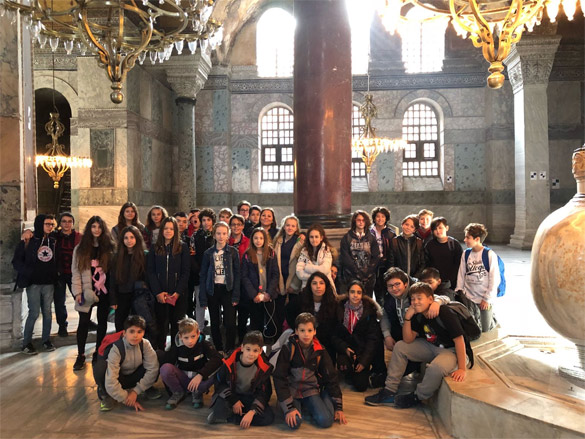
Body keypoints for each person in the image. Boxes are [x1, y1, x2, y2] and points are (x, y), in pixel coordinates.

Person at [365, 282, 468, 408]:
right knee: (400, 346)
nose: (415, 302)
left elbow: (459, 340)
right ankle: (389, 390)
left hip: (450, 350)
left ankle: (417, 396)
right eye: (413, 299)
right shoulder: (418, 315)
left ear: (430, 299)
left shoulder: (444, 312)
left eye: (419, 298)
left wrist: (462, 368)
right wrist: (407, 318)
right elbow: (408, 340)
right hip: (431, 345)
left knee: (436, 368)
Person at [273, 313, 347, 429]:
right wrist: (289, 408)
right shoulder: (288, 348)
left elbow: (331, 376)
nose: (306, 334)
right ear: (296, 331)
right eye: (302, 330)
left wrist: (338, 407)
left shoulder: (320, 350)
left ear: (314, 332)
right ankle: (298, 406)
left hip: (310, 390)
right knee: (294, 423)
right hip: (291, 390)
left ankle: (325, 395)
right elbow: (279, 377)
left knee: (326, 421)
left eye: (309, 330)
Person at [71, 216, 116, 370]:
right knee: (83, 322)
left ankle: (99, 352)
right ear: (89, 228)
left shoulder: (109, 247)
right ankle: (81, 354)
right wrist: (77, 292)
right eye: (93, 227)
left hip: (104, 291)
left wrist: (113, 297)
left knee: (102, 323)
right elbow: (76, 272)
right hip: (86, 291)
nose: (96, 230)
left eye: (99, 227)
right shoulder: (80, 249)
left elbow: (113, 273)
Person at [208, 330, 275, 428]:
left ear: (260, 351)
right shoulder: (230, 362)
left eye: (255, 351)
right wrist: (234, 400)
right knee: (219, 404)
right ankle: (229, 414)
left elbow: (265, 392)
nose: (251, 354)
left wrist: (252, 411)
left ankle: (231, 418)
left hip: (250, 397)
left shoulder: (263, 368)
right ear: (242, 347)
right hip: (232, 395)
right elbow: (219, 383)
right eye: (248, 349)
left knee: (268, 417)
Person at [94, 315, 160, 412]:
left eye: (139, 332)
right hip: (120, 378)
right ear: (124, 333)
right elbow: (111, 380)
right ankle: (106, 394)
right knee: (100, 367)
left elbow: (153, 369)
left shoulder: (145, 344)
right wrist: (126, 399)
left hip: (135, 376)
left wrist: (136, 391)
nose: (135, 335)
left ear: (143, 333)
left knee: (158, 356)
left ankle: (147, 387)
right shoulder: (116, 348)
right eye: (131, 331)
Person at [12, 214, 58, 354]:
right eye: (47, 224)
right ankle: (26, 343)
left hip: (49, 283)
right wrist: (28, 272)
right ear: (40, 224)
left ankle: (46, 340)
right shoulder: (29, 240)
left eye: (52, 224)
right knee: (34, 313)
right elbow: (16, 261)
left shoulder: (53, 240)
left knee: (48, 313)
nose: (50, 227)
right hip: (34, 283)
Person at [332, 280, 386, 392]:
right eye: (352, 292)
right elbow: (334, 335)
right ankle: (347, 371)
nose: (355, 295)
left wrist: (364, 362)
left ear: (362, 294)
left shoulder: (369, 311)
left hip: (362, 350)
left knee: (361, 386)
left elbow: (372, 339)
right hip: (346, 348)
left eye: (358, 292)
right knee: (344, 368)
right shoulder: (339, 308)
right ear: (348, 293)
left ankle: (363, 372)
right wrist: (344, 348)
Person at [159, 317, 223, 409]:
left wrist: (201, 375)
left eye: (193, 336)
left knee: (221, 369)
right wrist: (170, 389)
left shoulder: (204, 344)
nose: (190, 341)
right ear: (180, 336)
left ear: (198, 334)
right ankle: (178, 392)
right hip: (183, 379)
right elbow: (166, 368)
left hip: (199, 381)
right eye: (186, 337)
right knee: (165, 368)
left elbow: (218, 359)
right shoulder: (176, 347)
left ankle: (197, 393)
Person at [147, 217, 190, 349]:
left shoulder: (182, 247)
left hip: (177, 295)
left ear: (175, 231)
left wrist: (177, 293)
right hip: (160, 294)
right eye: (165, 228)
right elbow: (151, 272)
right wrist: (158, 292)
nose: (168, 231)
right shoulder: (155, 247)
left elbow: (185, 272)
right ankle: (160, 352)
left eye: (171, 228)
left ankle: (176, 352)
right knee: (161, 325)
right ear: (161, 230)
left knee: (177, 325)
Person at [199, 221, 241, 353]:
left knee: (230, 321)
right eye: (218, 233)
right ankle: (218, 348)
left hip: (227, 290)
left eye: (224, 233)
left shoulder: (233, 252)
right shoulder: (208, 253)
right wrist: (203, 298)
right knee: (215, 321)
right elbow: (203, 275)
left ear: (228, 235)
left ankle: (229, 348)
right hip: (213, 290)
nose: (221, 236)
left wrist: (236, 295)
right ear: (214, 235)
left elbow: (237, 274)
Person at [285, 272, 341, 362]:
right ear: (310, 286)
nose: (318, 286)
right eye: (314, 283)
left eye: (321, 283)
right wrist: (298, 329)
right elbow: (288, 312)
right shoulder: (300, 300)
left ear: (326, 286)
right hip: (304, 340)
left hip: (326, 342)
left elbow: (335, 326)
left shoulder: (333, 304)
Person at [455, 223, 499, 333]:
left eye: (467, 237)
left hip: (483, 298)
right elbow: (461, 274)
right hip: (469, 298)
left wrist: (487, 299)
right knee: (472, 327)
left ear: (477, 239)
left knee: (484, 329)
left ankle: (492, 318)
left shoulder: (489, 254)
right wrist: (459, 291)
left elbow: (494, 279)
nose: (464, 240)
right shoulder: (466, 254)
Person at [241, 228, 279, 339]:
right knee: (256, 322)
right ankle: (257, 344)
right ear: (252, 239)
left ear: (265, 239)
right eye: (256, 238)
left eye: (261, 238)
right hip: (255, 295)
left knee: (271, 322)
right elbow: (245, 276)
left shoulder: (271, 253)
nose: (258, 241)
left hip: (268, 294)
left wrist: (269, 293)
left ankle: (269, 344)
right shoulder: (247, 254)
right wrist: (254, 294)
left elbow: (275, 274)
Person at [110, 225, 148, 331]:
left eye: (132, 237)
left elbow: (147, 277)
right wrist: (113, 300)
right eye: (126, 238)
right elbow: (112, 279)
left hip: (139, 296)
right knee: (120, 325)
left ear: (137, 238)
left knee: (139, 325)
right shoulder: (117, 257)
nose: (129, 240)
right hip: (122, 295)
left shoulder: (144, 256)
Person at [273, 215, 304, 337]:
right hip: (280, 279)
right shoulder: (278, 241)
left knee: (292, 312)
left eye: (293, 226)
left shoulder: (299, 242)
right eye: (287, 225)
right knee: (279, 312)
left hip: (293, 281)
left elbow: (301, 264)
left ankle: (292, 336)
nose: (290, 228)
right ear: (283, 227)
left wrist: (294, 285)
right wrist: (275, 282)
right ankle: (278, 337)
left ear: (296, 228)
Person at [339, 210, 380, 297]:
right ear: (354, 221)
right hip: (352, 276)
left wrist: (368, 271)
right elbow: (345, 257)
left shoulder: (371, 238)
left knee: (367, 300)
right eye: (358, 220)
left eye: (363, 220)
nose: (361, 222)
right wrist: (357, 272)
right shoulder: (347, 238)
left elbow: (376, 256)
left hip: (368, 277)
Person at [191, 208, 216, 328]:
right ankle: (199, 329)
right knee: (199, 302)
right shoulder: (195, 235)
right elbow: (192, 254)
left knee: (214, 303)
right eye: (204, 220)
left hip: (215, 275)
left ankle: (215, 327)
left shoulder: (217, 235)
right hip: (199, 274)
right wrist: (199, 270)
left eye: (208, 220)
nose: (206, 222)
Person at [296, 223, 336, 293]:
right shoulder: (304, 251)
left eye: (316, 237)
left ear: (321, 238)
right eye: (311, 237)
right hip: (307, 287)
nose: (314, 239)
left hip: (325, 287)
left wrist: (307, 268)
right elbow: (299, 273)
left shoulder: (326, 250)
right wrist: (316, 276)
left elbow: (325, 269)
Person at [424, 216, 462, 289]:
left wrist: (452, 280)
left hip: (451, 283)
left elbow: (459, 264)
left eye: (440, 228)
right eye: (435, 229)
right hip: (434, 283)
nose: (438, 231)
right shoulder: (429, 245)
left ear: (446, 228)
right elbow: (427, 264)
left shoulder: (454, 244)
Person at [370, 206, 396, 305]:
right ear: (374, 218)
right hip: (372, 265)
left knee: (386, 290)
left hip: (386, 265)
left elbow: (392, 252)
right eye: (378, 216)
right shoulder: (369, 232)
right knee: (375, 290)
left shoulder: (391, 233)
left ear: (386, 218)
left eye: (383, 216)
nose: (380, 219)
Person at [388, 214, 426, 281]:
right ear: (402, 224)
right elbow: (391, 262)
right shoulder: (394, 241)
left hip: (415, 278)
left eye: (412, 227)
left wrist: (415, 277)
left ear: (414, 230)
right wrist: (397, 276)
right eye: (406, 224)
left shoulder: (419, 242)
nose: (408, 228)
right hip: (398, 278)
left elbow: (422, 262)